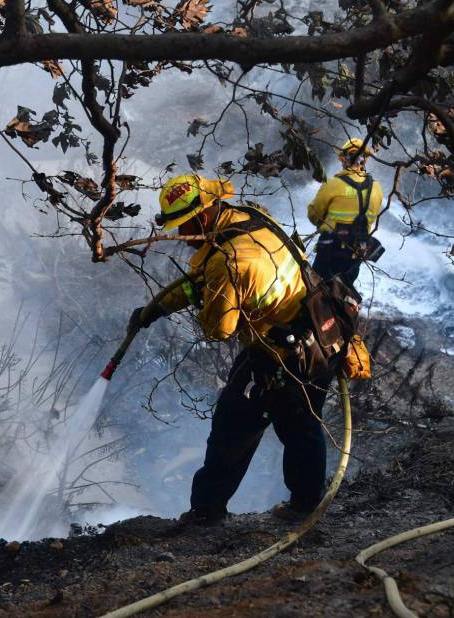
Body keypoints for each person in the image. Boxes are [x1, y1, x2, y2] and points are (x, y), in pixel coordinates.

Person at [129, 174, 334, 526]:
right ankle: (304, 506)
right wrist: (156, 309)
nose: (181, 236)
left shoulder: (229, 260)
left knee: (233, 427)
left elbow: (218, 328)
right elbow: (201, 282)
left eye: (186, 225)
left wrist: (200, 300)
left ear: (206, 214)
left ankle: (206, 514)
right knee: (300, 426)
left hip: (276, 353)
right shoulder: (249, 216)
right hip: (318, 335)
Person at [307, 138, 384, 286]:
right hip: (355, 256)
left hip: (328, 253)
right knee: (342, 294)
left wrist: (327, 222)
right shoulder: (377, 188)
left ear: (344, 159)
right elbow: (371, 218)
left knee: (315, 293)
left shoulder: (333, 184)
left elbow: (313, 215)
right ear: (365, 160)